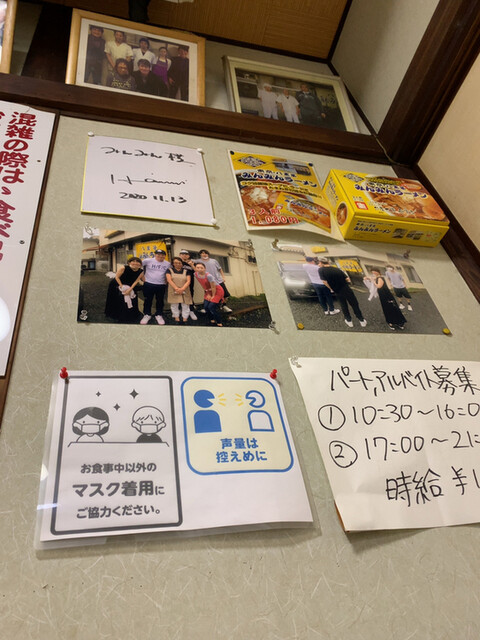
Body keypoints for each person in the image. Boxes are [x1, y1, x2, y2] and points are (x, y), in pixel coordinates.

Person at [318, 257, 367, 328]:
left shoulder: (321, 270)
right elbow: (347, 279)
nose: (318, 264)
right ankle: (361, 320)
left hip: (337, 290)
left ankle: (349, 321)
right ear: (328, 262)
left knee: (344, 305)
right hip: (347, 289)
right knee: (354, 304)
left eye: (319, 263)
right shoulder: (337, 269)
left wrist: (331, 289)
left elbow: (324, 281)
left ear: (321, 263)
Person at [105, 256, 144, 323]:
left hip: (130, 285)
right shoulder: (124, 268)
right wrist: (122, 287)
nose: (135, 263)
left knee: (133, 298)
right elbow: (117, 277)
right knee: (119, 299)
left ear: (140, 264)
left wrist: (130, 289)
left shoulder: (141, 271)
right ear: (129, 263)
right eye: (133, 261)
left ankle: (132, 315)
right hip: (118, 284)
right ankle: (116, 314)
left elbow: (136, 281)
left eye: (137, 262)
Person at [140, 249, 171, 325]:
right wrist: (142, 276)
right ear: (155, 254)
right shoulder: (148, 260)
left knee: (160, 300)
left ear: (165, 256)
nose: (160, 256)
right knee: (148, 300)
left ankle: (159, 314)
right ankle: (147, 314)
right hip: (148, 284)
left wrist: (166, 281)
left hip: (161, 285)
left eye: (162, 255)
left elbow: (169, 273)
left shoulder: (168, 264)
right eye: (158, 254)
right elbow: (138, 266)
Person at [194, 262, 224, 327]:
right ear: (195, 268)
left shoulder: (209, 276)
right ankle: (212, 318)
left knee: (211, 307)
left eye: (201, 268)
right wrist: (208, 293)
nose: (199, 269)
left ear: (205, 268)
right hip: (208, 291)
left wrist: (212, 296)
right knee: (206, 307)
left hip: (217, 290)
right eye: (197, 268)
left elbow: (213, 287)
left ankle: (219, 321)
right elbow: (203, 285)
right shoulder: (196, 274)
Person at [166, 256, 194, 324]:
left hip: (185, 289)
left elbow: (188, 281)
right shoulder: (169, 270)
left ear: (182, 264)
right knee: (174, 304)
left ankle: (185, 318)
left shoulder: (186, 271)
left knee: (185, 305)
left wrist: (182, 289)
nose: (178, 264)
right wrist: (176, 288)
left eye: (179, 263)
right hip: (173, 289)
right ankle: (176, 317)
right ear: (173, 264)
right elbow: (169, 280)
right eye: (175, 263)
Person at [178, 249, 197, 320]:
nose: (184, 255)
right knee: (179, 295)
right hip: (179, 282)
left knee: (190, 295)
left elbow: (197, 272)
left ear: (188, 256)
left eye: (186, 254)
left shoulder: (192, 263)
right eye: (182, 254)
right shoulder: (177, 262)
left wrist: (192, 265)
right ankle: (180, 309)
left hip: (190, 282)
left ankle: (191, 310)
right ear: (180, 255)